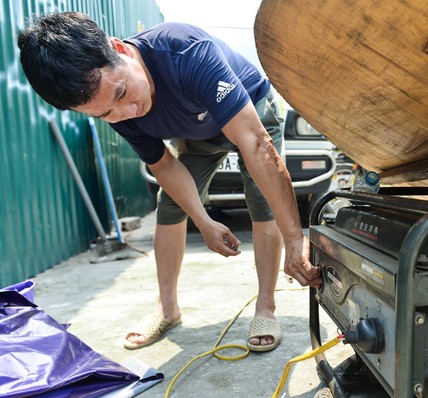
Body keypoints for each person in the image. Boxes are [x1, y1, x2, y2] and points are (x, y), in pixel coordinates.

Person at [17, 11, 322, 351]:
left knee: (262, 202)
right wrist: (203, 221)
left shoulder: (186, 52)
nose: (128, 112)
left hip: (250, 111)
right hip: (199, 133)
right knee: (170, 205)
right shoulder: (112, 105)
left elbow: (254, 141)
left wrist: (296, 237)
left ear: (120, 49)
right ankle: (167, 308)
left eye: (121, 94)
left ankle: (266, 305)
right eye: (106, 114)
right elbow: (163, 164)